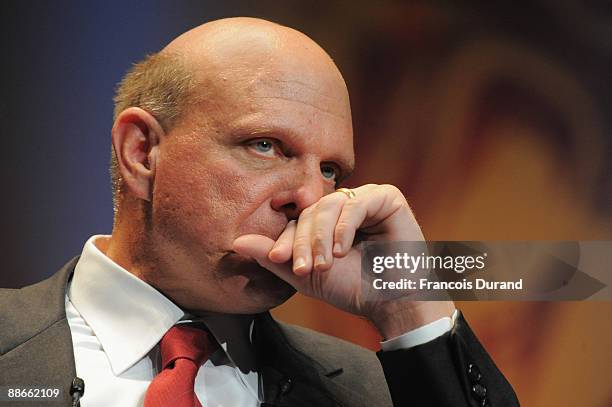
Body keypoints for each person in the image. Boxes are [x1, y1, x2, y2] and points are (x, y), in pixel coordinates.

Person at [0, 17, 518, 406]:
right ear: (141, 153)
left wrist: (409, 305)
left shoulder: (377, 393)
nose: (313, 200)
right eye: (266, 146)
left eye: (333, 170)